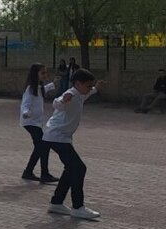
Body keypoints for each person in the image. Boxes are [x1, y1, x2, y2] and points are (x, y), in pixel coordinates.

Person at [43, 68, 104, 220]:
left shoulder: (80, 93)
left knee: (71, 168)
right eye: (88, 85)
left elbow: (87, 94)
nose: (90, 88)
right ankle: (78, 207)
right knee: (79, 168)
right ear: (77, 84)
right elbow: (57, 103)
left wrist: (96, 89)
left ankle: (56, 203)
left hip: (58, 137)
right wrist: (63, 100)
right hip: (57, 136)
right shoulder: (70, 94)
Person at [19, 63, 60, 184]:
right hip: (30, 122)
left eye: (46, 72)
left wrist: (53, 84)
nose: (45, 75)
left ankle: (28, 172)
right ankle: (44, 174)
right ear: (35, 74)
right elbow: (25, 103)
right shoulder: (30, 88)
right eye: (42, 73)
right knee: (43, 146)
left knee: (39, 147)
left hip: (35, 122)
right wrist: (25, 112)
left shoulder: (39, 87)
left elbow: (44, 89)